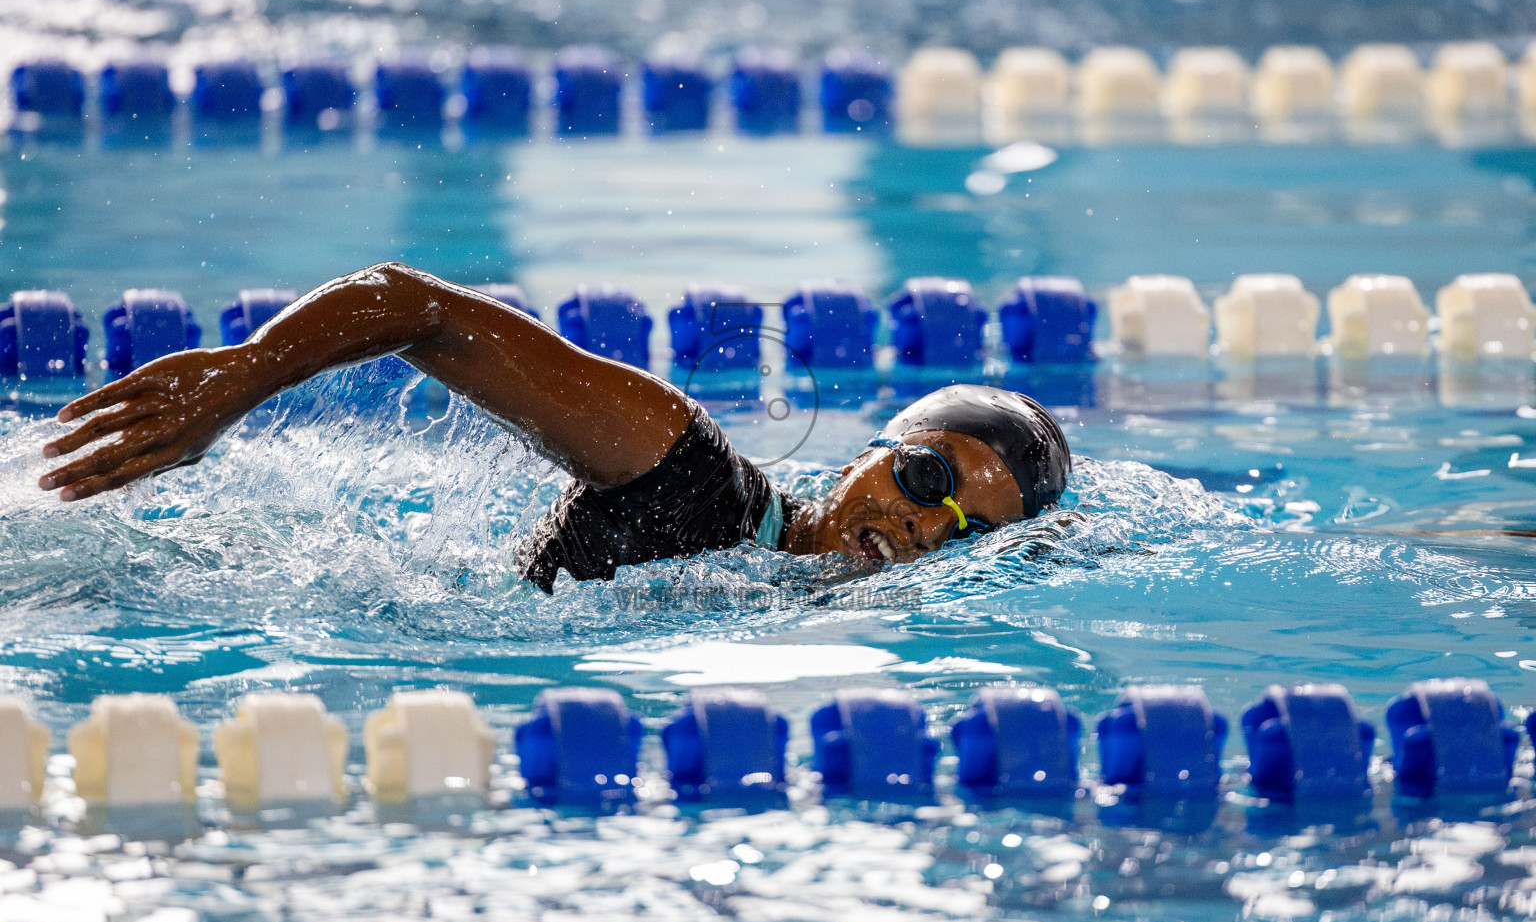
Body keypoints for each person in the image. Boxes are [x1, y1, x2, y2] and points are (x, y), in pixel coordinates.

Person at [37, 262, 1072, 592]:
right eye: (933, 481)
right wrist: (233, 383)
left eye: (969, 536)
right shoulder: (684, 469)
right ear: (870, 453)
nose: (927, 527)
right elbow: (415, 307)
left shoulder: (841, 612)